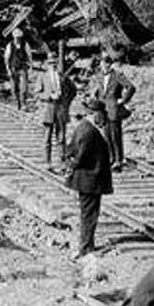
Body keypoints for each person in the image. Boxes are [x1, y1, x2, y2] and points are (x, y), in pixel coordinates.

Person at [66, 97, 113, 258]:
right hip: (90, 181)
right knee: (89, 215)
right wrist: (74, 165)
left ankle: (87, 244)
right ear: (94, 114)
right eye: (101, 114)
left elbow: (69, 150)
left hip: (86, 180)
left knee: (87, 214)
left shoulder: (82, 127)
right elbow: (81, 157)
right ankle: (86, 248)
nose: (104, 118)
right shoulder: (89, 131)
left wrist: (71, 164)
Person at [96, 55, 136, 171]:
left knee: (115, 135)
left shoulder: (117, 75)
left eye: (107, 63)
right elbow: (99, 91)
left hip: (114, 108)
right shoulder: (99, 76)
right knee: (106, 134)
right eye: (103, 63)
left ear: (110, 64)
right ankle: (110, 159)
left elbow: (131, 87)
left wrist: (123, 100)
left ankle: (119, 160)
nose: (105, 65)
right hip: (103, 109)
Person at [4, 28, 33, 110]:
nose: (17, 39)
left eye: (19, 37)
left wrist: (31, 67)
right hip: (13, 68)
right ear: (13, 37)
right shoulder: (10, 45)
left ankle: (23, 103)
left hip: (23, 68)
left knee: (24, 87)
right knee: (14, 87)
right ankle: (16, 103)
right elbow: (6, 58)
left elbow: (29, 56)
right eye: (16, 37)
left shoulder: (25, 44)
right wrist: (8, 70)